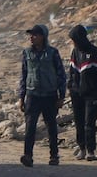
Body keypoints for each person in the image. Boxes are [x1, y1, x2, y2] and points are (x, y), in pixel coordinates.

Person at [18, 24, 67, 166]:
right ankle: (28, 155)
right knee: (30, 126)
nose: (31, 37)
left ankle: (54, 156)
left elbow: (61, 75)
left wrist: (61, 96)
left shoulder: (52, 53)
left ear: (43, 37)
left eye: (34, 35)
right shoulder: (27, 53)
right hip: (32, 95)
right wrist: (21, 97)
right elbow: (24, 75)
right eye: (30, 35)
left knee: (51, 126)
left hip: (49, 95)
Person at [67, 25, 97, 160]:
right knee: (78, 122)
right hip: (76, 94)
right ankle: (82, 148)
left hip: (90, 95)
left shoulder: (94, 51)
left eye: (74, 39)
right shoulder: (75, 52)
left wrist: (96, 91)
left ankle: (90, 151)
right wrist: (71, 87)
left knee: (89, 122)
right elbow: (72, 73)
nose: (73, 42)